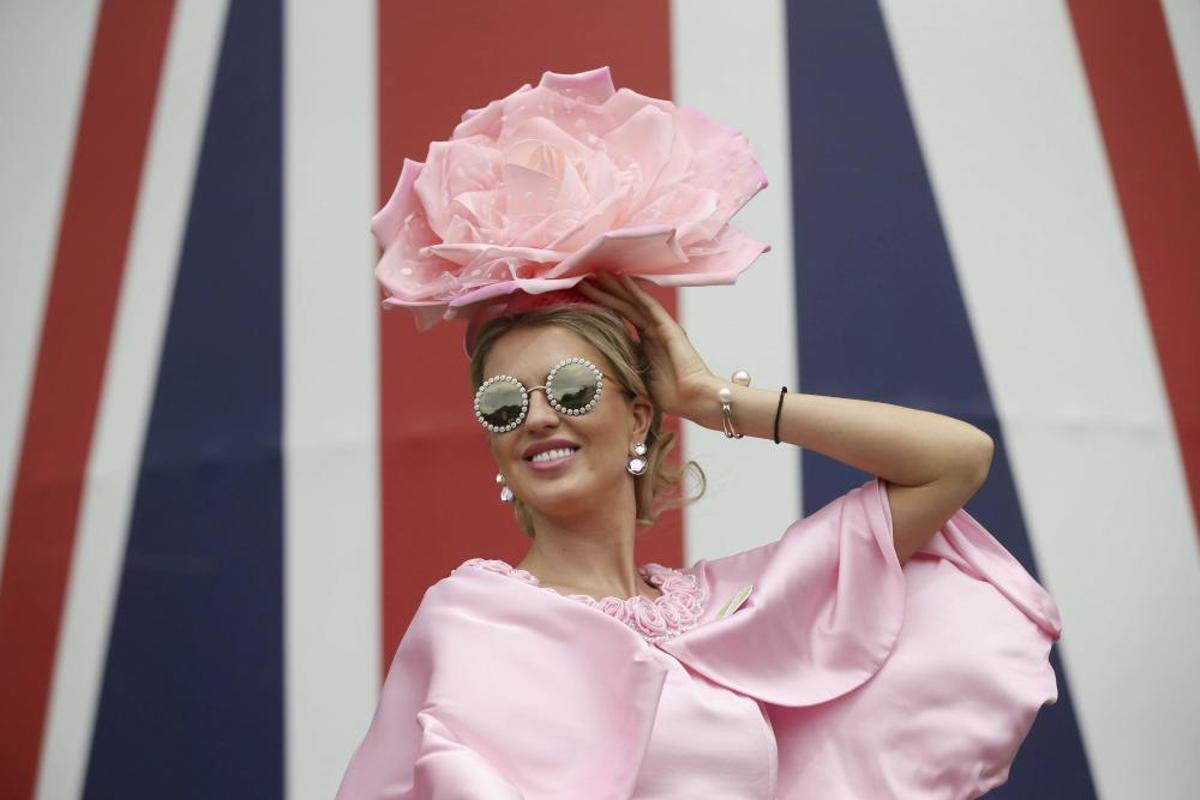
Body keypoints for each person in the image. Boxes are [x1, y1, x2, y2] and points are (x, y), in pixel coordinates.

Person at [335, 67, 1062, 799]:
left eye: (572, 388)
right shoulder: (474, 620)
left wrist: (715, 398)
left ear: (640, 418)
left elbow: (954, 462)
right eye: (503, 403)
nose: (540, 418)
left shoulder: (733, 607)